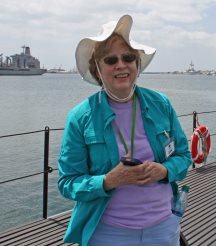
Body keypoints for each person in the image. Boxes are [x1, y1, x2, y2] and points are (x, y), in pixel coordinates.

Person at [58, 14, 191, 246]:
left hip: (163, 227)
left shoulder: (161, 104)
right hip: (108, 233)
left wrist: (164, 170)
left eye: (128, 57)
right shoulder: (80, 117)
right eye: (110, 60)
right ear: (97, 69)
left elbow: (183, 156)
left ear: (136, 65)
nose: (120, 64)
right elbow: (68, 182)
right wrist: (108, 181)